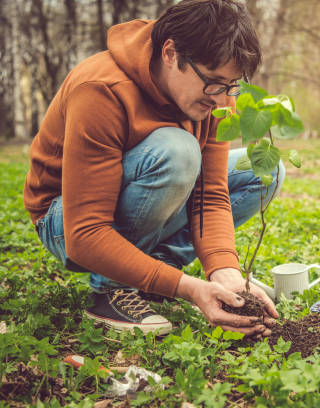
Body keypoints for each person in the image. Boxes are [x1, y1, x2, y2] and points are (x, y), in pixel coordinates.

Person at [23, 0, 281, 338]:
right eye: (215, 82)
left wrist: (225, 270)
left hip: (134, 206)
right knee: (178, 152)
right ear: (171, 53)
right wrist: (190, 289)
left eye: (231, 85)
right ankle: (111, 288)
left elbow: (211, 195)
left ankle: (156, 276)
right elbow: (84, 233)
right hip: (66, 223)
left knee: (262, 172)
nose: (222, 100)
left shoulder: (217, 97)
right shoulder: (101, 89)